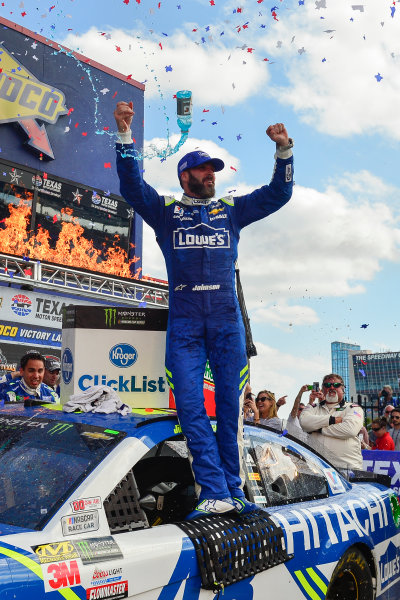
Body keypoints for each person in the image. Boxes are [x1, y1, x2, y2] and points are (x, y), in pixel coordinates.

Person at [114, 101, 294, 518]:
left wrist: (283, 151)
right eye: (203, 170)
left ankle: (232, 489)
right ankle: (212, 489)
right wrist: (125, 137)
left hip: (227, 324)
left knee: (230, 409)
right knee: (191, 407)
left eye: (214, 169)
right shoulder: (165, 213)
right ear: (185, 176)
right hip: (185, 325)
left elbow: (278, 194)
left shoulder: (231, 211)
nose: (211, 174)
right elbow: (131, 187)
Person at [299, 373, 364, 471]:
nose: (332, 387)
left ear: (343, 389)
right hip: (316, 467)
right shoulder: (313, 407)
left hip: (347, 468)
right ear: (322, 389)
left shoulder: (353, 408)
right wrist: (332, 420)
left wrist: (318, 428)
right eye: (327, 385)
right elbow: (304, 423)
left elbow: (350, 430)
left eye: (336, 385)